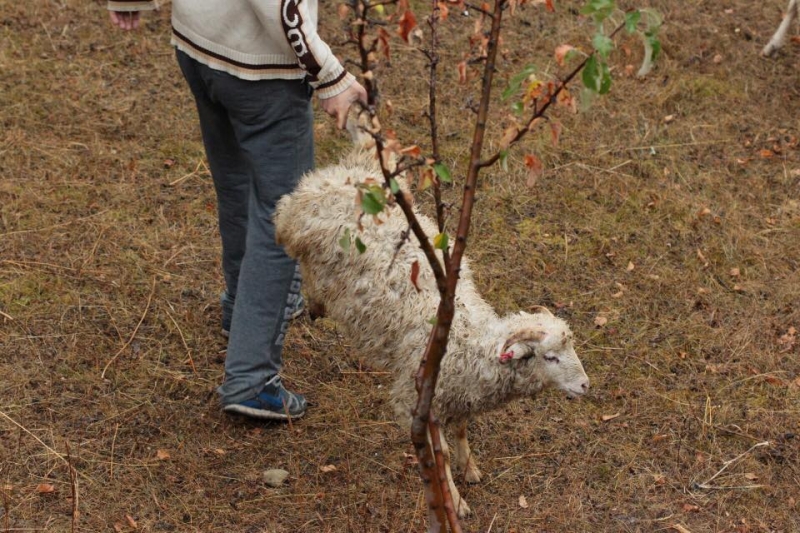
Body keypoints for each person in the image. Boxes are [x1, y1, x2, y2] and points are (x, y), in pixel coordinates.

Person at [108, 1, 367, 421]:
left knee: (237, 185)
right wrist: (328, 74)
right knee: (282, 215)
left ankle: (241, 311)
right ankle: (252, 380)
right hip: (260, 69)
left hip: (198, 46)